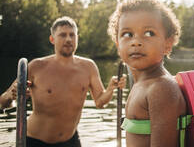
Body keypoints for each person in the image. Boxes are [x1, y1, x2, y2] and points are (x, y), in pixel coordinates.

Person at [25, 16, 126, 147]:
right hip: (35, 141)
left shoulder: (88, 67)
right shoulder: (36, 66)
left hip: (70, 140)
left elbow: (100, 102)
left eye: (72, 35)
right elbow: (6, 100)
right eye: (62, 35)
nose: (68, 39)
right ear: (52, 39)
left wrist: (111, 88)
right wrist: (12, 96)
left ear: (77, 38)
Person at [108, 0, 187, 147]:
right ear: (118, 44)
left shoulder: (161, 88)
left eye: (149, 33)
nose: (135, 41)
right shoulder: (142, 85)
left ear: (168, 44)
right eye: (127, 34)